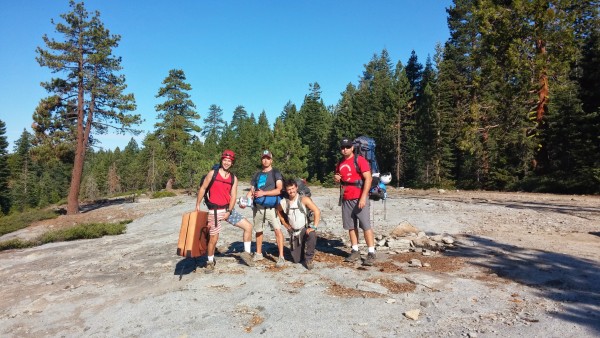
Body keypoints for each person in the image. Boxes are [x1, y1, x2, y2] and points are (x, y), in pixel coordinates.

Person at [195, 149, 255, 273]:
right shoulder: (213, 174)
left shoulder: (233, 178)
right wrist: (197, 205)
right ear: (222, 160)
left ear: (232, 163)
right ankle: (210, 261)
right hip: (214, 212)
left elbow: (233, 196)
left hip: (228, 210)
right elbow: (203, 188)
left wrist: (229, 210)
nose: (227, 162)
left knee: (248, 227)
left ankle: (247, 254)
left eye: (229, 161)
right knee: (214, 239)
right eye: (225, 160)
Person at [333, 137, 376, 266]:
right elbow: (339, 178)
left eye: (347, 147)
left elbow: (368, 179)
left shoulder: (360, 160)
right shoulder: (340, 162)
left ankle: (371, 252)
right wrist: (336, 178)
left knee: (365, 225)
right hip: (346, 197)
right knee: (350, 226)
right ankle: (355, 250)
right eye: (342, 147)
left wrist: (363, 197)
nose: (344, 149)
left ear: (352, 147)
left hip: (359, 197)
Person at [242, 150, 286, 267]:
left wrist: (264, 193)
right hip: (258, 207)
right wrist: (244, 202)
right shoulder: (257, 174)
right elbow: (252, 191)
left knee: (277, 230)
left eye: (268, 158)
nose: (265, 160)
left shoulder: (275, 172)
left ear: (271, 160)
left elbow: (279, 189)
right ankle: (259, 253)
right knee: (258, 230)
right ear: (261, 159)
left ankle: (281, 256)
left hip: (271, 207)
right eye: (263, 158)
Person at [276, 179, 321, 270]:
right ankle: (301, 248)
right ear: (286, 190)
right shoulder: (284, 202)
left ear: (296, 187)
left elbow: (317, 211)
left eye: (293, 188)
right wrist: (285, 223)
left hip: (304, 229)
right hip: (294, 232)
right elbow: (278, 211)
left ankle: (309, 258)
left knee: (312, 234)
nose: (291, 191)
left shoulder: (304, 199)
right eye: (289, 189)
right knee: (296, 260)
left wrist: (314, 227)